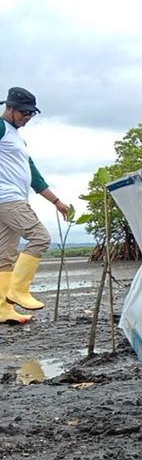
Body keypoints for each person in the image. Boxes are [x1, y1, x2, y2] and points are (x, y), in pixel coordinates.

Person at [0, 87, 70, 324]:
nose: (27, 117)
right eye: (23, 112)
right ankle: (18, 291)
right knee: (40, 237)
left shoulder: (16, 137)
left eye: (31, 113)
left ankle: (3, 309)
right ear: (8, 108)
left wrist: (57, 202)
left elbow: (34, 176)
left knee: (5, 256)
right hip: (7, 198)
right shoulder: (0, 128)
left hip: (13, 198)